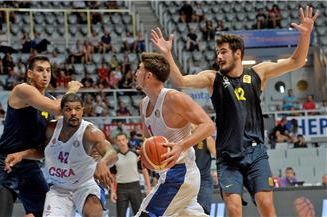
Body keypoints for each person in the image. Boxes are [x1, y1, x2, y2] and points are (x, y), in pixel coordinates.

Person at [151, 6, 318, 217]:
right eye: (217, 52)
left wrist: (305, 35)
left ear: (237, 53)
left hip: (255, 152)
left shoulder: (258, 72)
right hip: (228, 156)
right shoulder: (213, 78)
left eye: (223, 52)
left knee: (266, 204)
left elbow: (296, 61)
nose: (218, 56)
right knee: (233, 208)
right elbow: (181, 80)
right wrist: (167, 53)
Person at [0, 55, 82, 217]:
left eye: (48, 70)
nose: (45, 74)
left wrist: (23, 154)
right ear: (30, 74)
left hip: (29, 166)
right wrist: (72, 89)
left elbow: (43, 150)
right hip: (5, 163)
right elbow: (57, 108)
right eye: (40, 70)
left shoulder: (51, 100)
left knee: (47, 213)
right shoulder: (22, 90)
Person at [4, 93, 118, 217]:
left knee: (94, 211)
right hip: (59, 189)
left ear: (82, 111)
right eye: (68, 109)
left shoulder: (90, 132)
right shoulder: (52, 129)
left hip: (84, 186)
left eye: (77, 109)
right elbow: (43, 151)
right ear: (61, 111)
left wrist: (103, 162)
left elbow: (111, 152)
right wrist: (22, 154)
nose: (73, 113)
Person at [135, 52, 216, 217]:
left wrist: (182, 146)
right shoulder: (143, 105)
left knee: (146, 215)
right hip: (170, 174)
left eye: (139, 69)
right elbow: (149, 140)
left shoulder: (174, 98)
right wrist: (145, 155)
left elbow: (208, 126)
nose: (136, 73)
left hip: (181, 173)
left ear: (148, 76)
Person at [110, 133, 151, 217]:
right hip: (121, 189)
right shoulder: (115, 157)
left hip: (135, 186)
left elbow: (144, 170)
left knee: (140, 213)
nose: (121, 142)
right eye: (119, 140)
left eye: (123, 139)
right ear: (116, 142)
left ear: (127, 140)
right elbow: (112, 175)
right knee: (121, 215)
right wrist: (112, 191)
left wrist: (148, 187)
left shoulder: (135, 154)